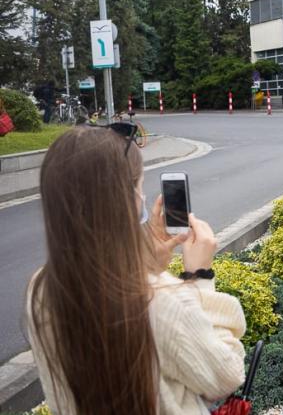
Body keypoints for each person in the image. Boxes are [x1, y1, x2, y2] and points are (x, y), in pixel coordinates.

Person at [26, 125, 246, 415]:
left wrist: (148, 264)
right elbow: (225, 376)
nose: (143, 198)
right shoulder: (163, 302)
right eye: (140, 187)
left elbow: (110, 302)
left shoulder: (41, 289)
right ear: (128, 197)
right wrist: (198, 277)